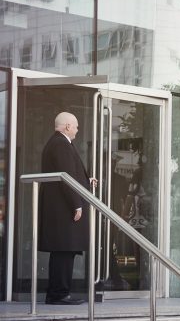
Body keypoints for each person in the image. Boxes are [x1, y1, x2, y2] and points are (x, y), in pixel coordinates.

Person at [39, 112, 97, 305]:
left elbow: (70, 173)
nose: (78, 130)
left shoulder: (57, 143)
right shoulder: (61, 144)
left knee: (64, 250)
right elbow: (66, 177)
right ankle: (59, 294)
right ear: (67, 127)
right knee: (64, 250)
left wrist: (86, 181)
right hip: (63, 208)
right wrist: (77, 204)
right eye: (76, 126)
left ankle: (58, 293)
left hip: (60, 207)